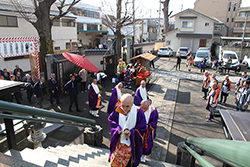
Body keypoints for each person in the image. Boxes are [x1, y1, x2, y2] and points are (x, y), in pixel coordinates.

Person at [108, 94, 146, 167]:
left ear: (132, 103)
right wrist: (117, 128)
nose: (124, 108)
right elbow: (111, 120)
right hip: (119, 142)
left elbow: (142, 127)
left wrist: (132, 133)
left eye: (127, 106)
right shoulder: (118, 109)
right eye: (123, 105)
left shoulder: (138, 112)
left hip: (131, 143)